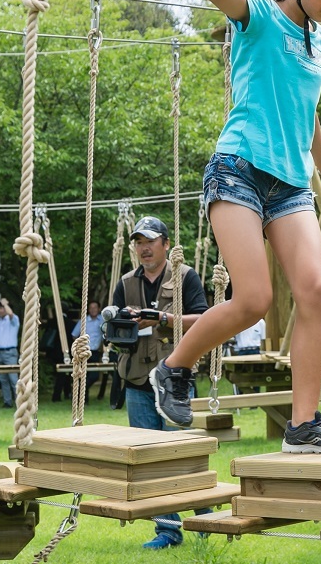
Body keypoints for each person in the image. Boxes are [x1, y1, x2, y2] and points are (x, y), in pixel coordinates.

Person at [151, 0, 321, 458]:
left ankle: (303, 426)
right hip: (239, 169)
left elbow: (308, 112)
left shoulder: (319, 42)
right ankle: (174, 369)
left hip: (291, 183)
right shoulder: (259, 16)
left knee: (317, 290)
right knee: (253, 299)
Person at [111, 216, 211, 549]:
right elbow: (112, 330)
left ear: (166, 244)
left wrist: (164, 318)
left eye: (150, 241)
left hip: (175, 382)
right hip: (138, 380)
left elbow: (206, 319)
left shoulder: (186, 276)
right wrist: (120, 321)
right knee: (149, 462)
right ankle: (167, 532)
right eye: (139, 242)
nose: (144, 247)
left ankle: (206, 521)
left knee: (181, 457)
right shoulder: (126, 282)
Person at [0, 297, 21, 409]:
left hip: (10, 352)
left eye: (1, 308)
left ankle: (19, 402)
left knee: (13, 378)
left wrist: (6, 304)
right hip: (0, 353)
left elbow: (10, 314)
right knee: (3, 379)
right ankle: (7, 402)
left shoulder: (13, 320)